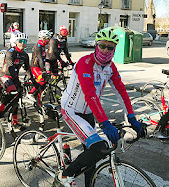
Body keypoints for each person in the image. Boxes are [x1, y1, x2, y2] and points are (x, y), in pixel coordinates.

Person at [55, 27, 145, 187]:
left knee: (93, 155)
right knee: (98, 147)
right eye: (102, 46)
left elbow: (121, 91)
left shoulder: (110, 67)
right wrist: (105, 123)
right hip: (71, 110)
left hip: (88, 111)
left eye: (110, 47)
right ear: (96, 45)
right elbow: (90, 94)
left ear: (115, 49)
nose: (105, 50)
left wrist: (132, 117)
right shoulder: (85, 63)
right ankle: (65, 175)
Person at [0, 33, 40, 130]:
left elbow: (27, 69)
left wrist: (34, 81)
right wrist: (17, 80)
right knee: (13, 91)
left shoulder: (24, 55)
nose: (23, 43)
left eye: (25, 41)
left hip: (14, 76)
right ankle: (0, 109)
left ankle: (15, 122)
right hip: (6, 75)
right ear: (15, 42)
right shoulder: (11, 52)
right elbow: (11, 67)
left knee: (17, 98)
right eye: (20, 41)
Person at [29, 30, 53, 101]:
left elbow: (44, 58)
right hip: (35, 67)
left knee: (44, 82)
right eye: (48, 38)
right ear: (43, 38)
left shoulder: (42, 46)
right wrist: (43, 70)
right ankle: (30, 93)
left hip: (39, 66)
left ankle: (39, 98)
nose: (48, 40)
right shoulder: (38, 46)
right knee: (42, 79)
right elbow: (40, 59)